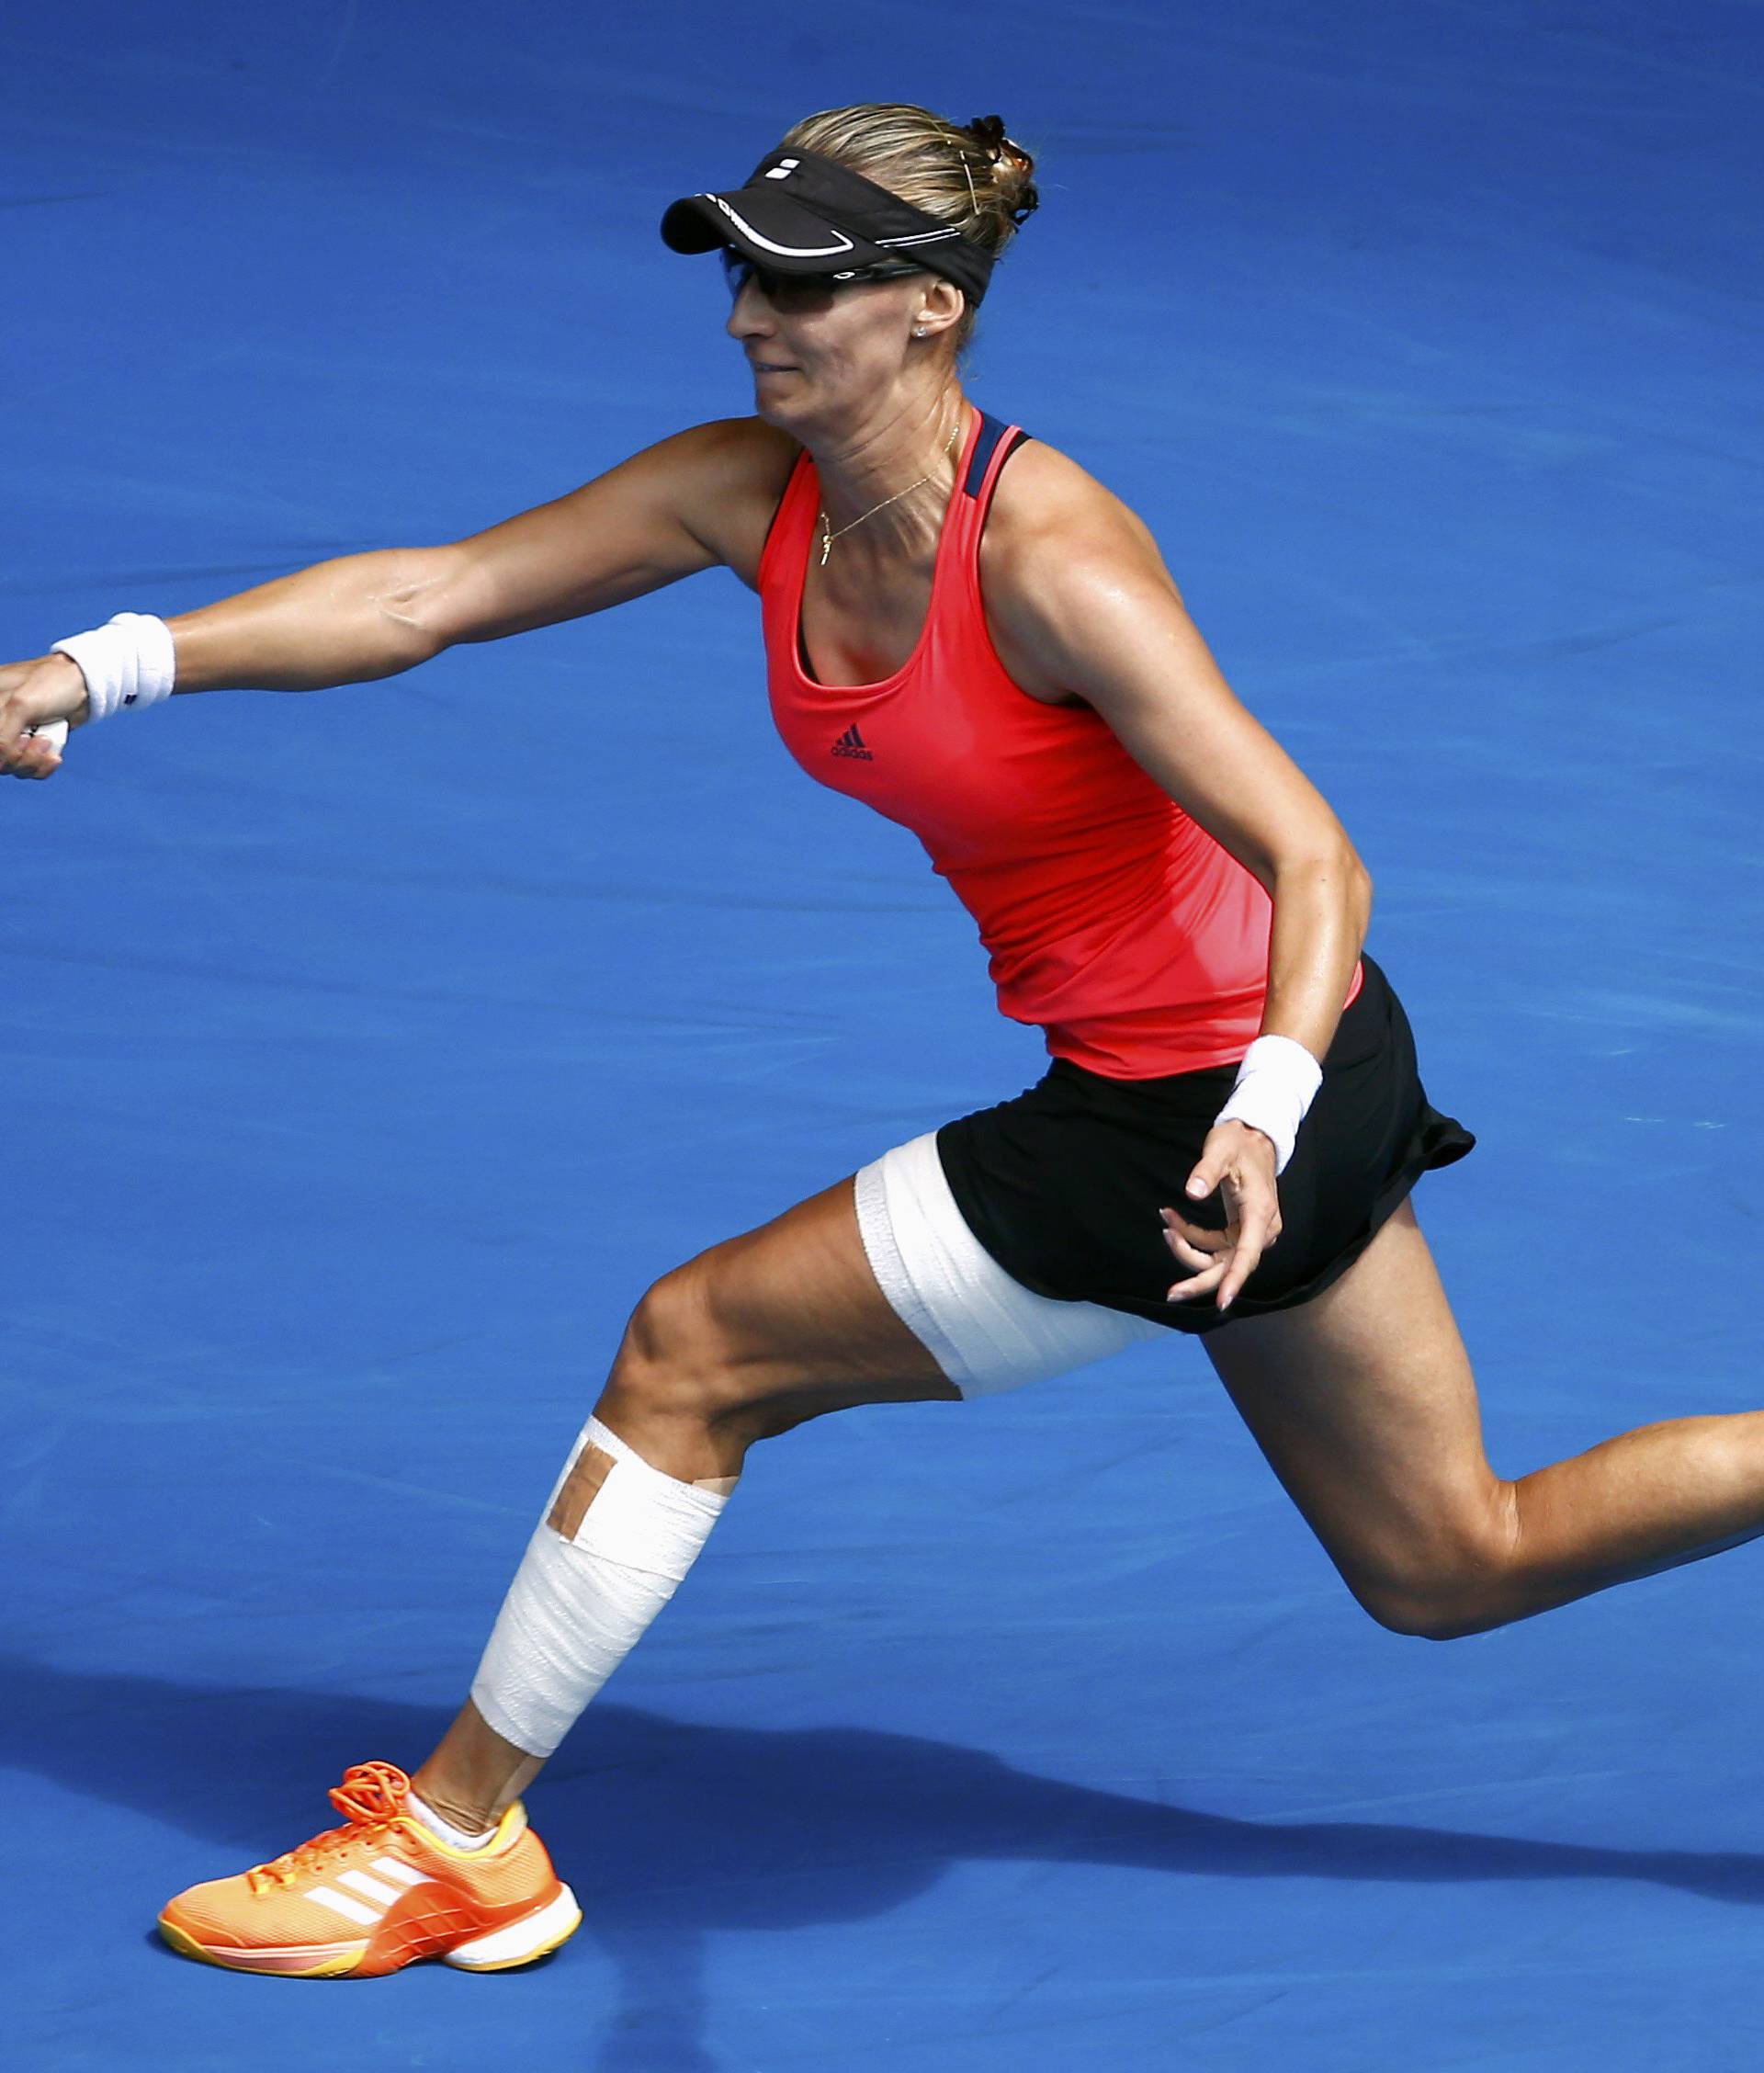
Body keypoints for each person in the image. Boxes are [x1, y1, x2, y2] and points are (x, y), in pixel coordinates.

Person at [3, 101, 1757, 1983]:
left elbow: (1312, 849)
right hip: (1291, 1082)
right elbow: (428, 595)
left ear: (926, 307)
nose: (755, 318)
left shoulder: (1053, 560)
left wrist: (1255, 1116)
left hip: (1211, 1107)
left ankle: (457, 1844)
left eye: (807, 287)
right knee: (1448, 1562)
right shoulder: (748, 490)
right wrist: (93, 669)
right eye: (747, 274)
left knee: (691, 1352)